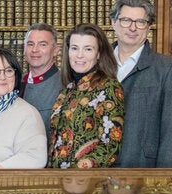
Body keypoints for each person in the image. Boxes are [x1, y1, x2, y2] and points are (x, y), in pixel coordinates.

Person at [108, 0, 172, 167]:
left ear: (149, 27)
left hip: (142, 172)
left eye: (140, 22)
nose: (132, 28)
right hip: (97, 173)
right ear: (113, 23)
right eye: (125, 20)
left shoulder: (169, 70)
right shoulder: (96, 65)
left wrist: (163, 183)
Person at [48, 23, 124, 169]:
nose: (79, 55)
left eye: (88, 49)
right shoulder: (67, 90)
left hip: (86, 183)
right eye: (74, 48)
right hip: (57, 181)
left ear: (99, 54)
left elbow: (109, 147)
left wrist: (76, 175)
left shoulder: (108, 87)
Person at [20, 23, 62, 134]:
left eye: (42, 44)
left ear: (56, 50)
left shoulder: (65, 85)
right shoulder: (12, 83)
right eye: (30, 44)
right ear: (24, 49)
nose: (35, 49)